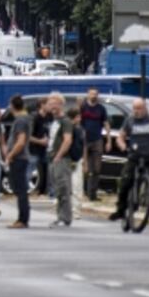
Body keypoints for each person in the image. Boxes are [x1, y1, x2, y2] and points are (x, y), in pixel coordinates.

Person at [108, 97, 149, 229]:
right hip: (135, 155)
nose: (137, 111)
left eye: (139, 108)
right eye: (135, 108)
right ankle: (121, 210)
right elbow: (121, 136)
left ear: (145, 108)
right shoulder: (130, 120)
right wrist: (122, 145)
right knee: (125, 181)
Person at [46, 93, 74, 228]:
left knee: (63, 188)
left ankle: (66, 217)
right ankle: (59, 216)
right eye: (50, 104)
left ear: (61, 104)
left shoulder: (65, 121)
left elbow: (67, 140)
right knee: (57, 189)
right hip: (52, 158)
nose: (52, 106)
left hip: (61, 159)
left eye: (55, 103)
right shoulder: (54, 121)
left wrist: (58, 155)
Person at [4, 94, 31, 228]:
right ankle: (23, 217)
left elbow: (20, 141)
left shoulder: (20, 121)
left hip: (19, 158)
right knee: (19, 188)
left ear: (12, 106)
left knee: (20, 189)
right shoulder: (24, 118)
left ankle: (22, 219)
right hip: (21, 157)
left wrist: (10, 155)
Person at [80, 88, 110, 202]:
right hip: (85, 140)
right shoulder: (83, 107)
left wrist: (108, 140)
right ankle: (84, 191)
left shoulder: (101, 109)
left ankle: (93, 193)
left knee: (97, 168)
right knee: (85, 167)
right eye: (92, 94)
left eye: (96, 94)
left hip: (97, 139)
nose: (94, 96)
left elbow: (106, 123)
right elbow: (77, 122)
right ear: (88, 94)